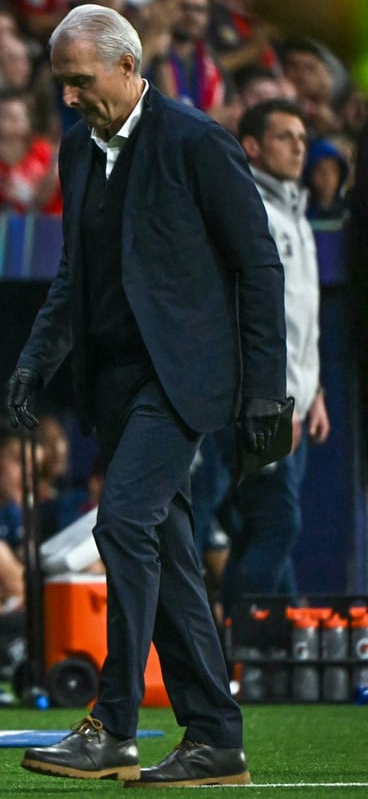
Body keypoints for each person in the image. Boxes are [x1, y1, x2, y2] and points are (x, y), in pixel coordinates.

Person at [5, 4, 286, 789]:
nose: (68, 98)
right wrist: (36, 360)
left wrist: (267, 391)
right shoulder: (77, 148)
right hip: (115, 382)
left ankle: (114, 726)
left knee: (123, 523)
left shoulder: (198, 142)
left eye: (79, 81)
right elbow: (74, 273)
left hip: (182, 378)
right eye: (61, 84)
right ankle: (216, 739)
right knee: (169, 554)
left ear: (128, 67)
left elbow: (259, 267)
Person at [192, 99, 329, 616]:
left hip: (292, 400)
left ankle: (257, 639)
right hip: (263, 402)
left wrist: (315, 392)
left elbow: (302, 316)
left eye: (302, 137)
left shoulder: (296, 217)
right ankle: (247, 638)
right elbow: (250, 314)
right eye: (284, 137)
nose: (299, 147)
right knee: (276, 523)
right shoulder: (251, 212)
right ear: (251, 146)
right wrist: (274, 401)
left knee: (259, 525)